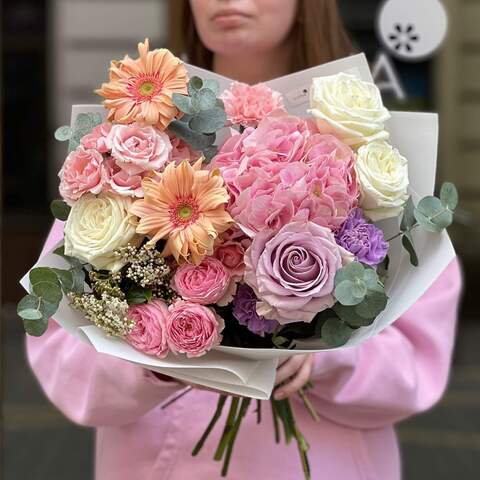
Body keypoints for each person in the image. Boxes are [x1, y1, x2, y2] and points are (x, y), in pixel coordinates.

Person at [27, 1, 463, 479]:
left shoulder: (369, 148)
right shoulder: (132, 150)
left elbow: (420, 359)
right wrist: (148, 359)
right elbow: (61, 350)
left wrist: (334, 359)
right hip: (162, 461)